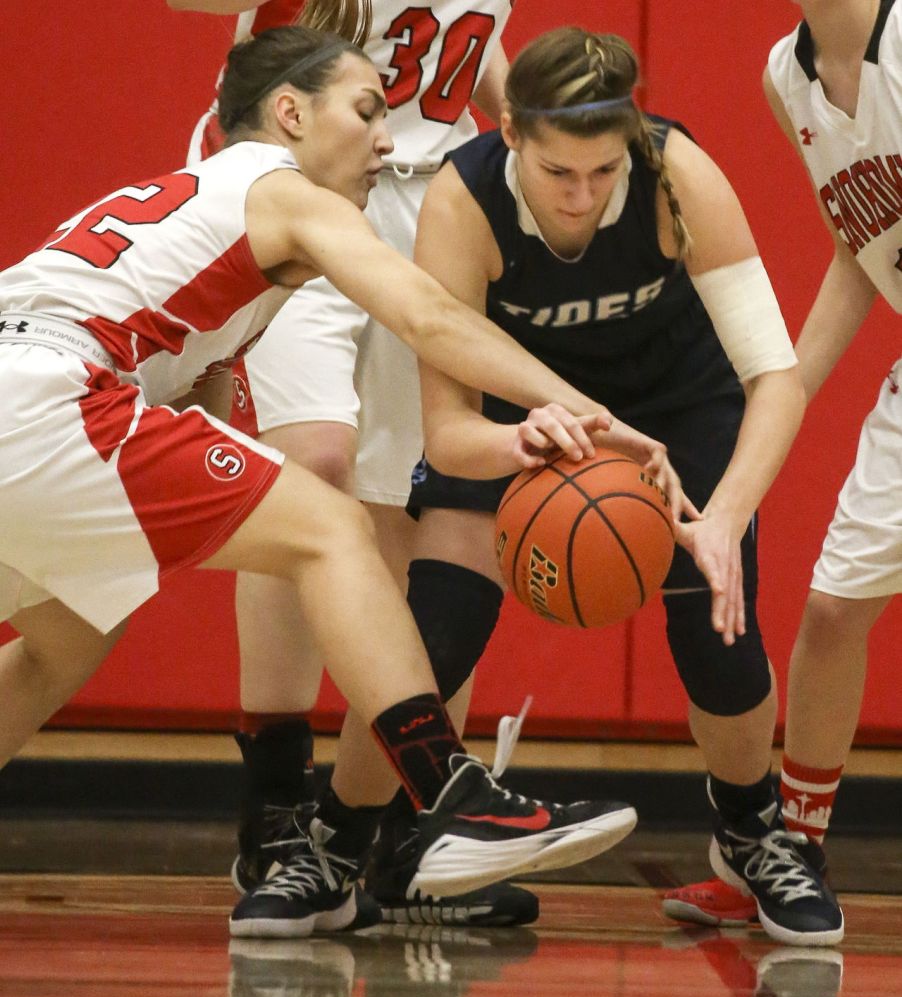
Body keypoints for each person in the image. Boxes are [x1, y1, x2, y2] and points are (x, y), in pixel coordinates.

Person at [0, 24, 673, 938]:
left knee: (61, 643)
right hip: (55, 396)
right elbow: (430, 317)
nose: (387, 140)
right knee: (334, 527)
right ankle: (451, 796)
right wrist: (587, 412)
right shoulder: (280, 188)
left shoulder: (184, 206)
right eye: (366, 111)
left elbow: (193, 400)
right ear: (290, 113)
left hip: (28, 393)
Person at [388, 24, 848, 948]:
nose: (583, 194)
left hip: (678, 404)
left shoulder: (680, 175)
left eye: (604, 171)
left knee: (720, 637)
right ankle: (393, 845)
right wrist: (521, 438)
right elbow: (447, 431)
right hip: (527, 414)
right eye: (560, 172)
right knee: (435, 626)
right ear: (511, 132)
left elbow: (776, 379)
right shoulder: (463, 201)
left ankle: (752, 832)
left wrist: (725, 520)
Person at [167, 0, 531, 927]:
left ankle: (415, 826)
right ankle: (276, 802)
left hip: (434, 197)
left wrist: (522, 128)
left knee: (429, 506)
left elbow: (471, 44)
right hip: (299, 184)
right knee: (308, 475)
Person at [663, 0, 901, 934]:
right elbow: (860, 247)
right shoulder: (784, 75)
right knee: (835, 611)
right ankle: (789, 848)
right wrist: (783, 388)